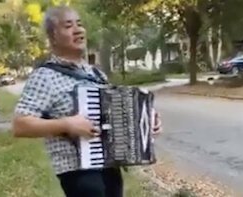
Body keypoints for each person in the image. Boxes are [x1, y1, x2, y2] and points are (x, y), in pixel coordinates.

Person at [11, 5, 162, 197]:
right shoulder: (44, 76)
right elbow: (20, 125)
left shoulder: (96, 74)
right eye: (68, 25)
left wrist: (147, 122)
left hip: (109, 166)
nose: (78, 29)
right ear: (53, 37)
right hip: (77, 172)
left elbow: (115, 118)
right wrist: (66, 124)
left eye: (79, 24)